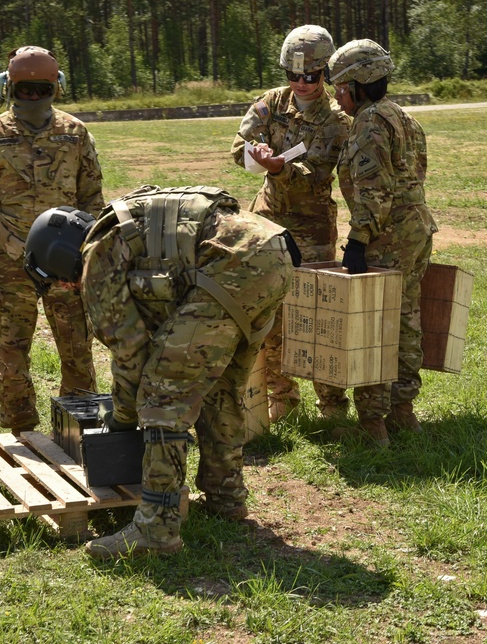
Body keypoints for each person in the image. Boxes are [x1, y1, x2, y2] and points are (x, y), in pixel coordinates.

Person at [23, 186, 295, 558]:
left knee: (162, 397)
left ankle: (156, 530)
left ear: (58, 258)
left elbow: (131, 355)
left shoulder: (97, 257)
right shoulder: (123, 229)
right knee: (218, 388)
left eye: (58, 281)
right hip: (271, 250)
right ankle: (225, 498)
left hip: (231, 265)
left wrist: (121, 418)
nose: (67, 288)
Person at [0, 45, 104, 434]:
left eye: (43, 90)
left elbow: (92, 199)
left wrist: (94, 257)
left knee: (77, 351)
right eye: (27, 90)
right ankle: (22, 430)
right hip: (12, 259)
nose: (35, 98)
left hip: (67, 263)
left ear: (57, 87)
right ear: (9, 88)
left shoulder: (74, 133)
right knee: (12, 352)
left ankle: (80, 428)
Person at [230, 24, 352, 423]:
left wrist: (280, 168)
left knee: (317, 316)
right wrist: (256, 154)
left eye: (311, 76)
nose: (301, 83)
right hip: (266, 221)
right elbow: (239, 145)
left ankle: (332, 405)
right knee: (268, 313)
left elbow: (318, 175)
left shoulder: (337, 119)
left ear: (325, 74)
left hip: (312, 227)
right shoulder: (271, 103)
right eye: (293, 75)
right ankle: (282, 400)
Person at [328, 39, 438, 446]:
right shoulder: (402, 116)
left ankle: (373, 425)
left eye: (341, 88)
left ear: (359, 85)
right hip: (415, 229)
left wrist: (357, 241)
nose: (337, 97)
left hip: (386, 236)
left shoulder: (370, 121)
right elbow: (417, 174)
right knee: (406, 318)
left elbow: (374, 189)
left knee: (374, 325)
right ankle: (403, 411)